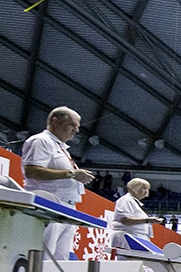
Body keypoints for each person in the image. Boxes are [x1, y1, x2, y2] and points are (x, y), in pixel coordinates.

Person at [21, 106, 94, 259]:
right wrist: (72, 174)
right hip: (49, 206)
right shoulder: (41, 141)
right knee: (43, 259)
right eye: (73, 125)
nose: (77, 130)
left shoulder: (61, 147)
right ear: (55, 122)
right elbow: (32, 171)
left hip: (66, 209)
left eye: (78, 126)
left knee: (60, 262)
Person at [110, 177, 162, 250]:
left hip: (136, 237)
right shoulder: (126, 200)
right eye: (144, 188)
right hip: (128, 237)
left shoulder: (134, 202)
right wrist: (148, 220)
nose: (146, 192)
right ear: (135, 188)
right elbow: (125, 220)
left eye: (147, 189)